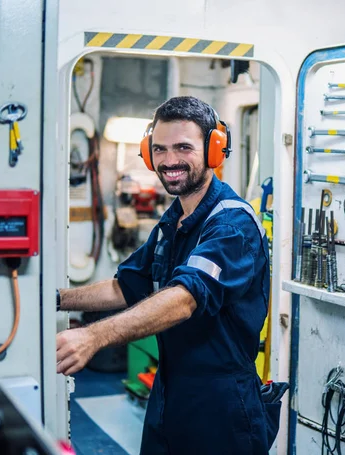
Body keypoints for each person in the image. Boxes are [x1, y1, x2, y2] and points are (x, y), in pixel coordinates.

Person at [56, 96, 271, 454]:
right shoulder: (173, 220)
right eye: (160, 148)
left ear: (214, 150)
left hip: (221, 404)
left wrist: (93, 336)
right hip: (169, 394)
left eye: (183, 147)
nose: (170, 160)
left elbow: (185, 299)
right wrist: (56, 299)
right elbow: (124, 285)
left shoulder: (232, 225)